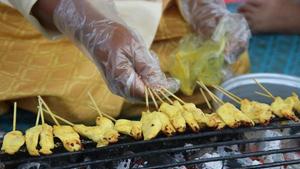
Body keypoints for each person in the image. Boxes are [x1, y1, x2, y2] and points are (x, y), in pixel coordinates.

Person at [0, 0, 249, 123]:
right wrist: (85, 23)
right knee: (85, 97)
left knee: (221, 53)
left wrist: (202, 5)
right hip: (49, 11)